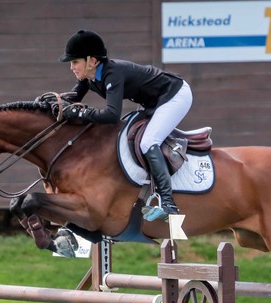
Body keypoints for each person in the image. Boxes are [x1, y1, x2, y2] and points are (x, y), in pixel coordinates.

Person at [58, 30, 192, 219]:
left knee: (148, 142)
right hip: (154, 101)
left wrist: (80, 113)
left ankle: (169, 204)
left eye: (75, 62)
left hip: (175, 95)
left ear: (92, 61)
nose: (71, 67)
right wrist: (50, 105)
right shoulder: (89, 77)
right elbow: (72, 100)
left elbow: (112, 115)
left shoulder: (113, 74)